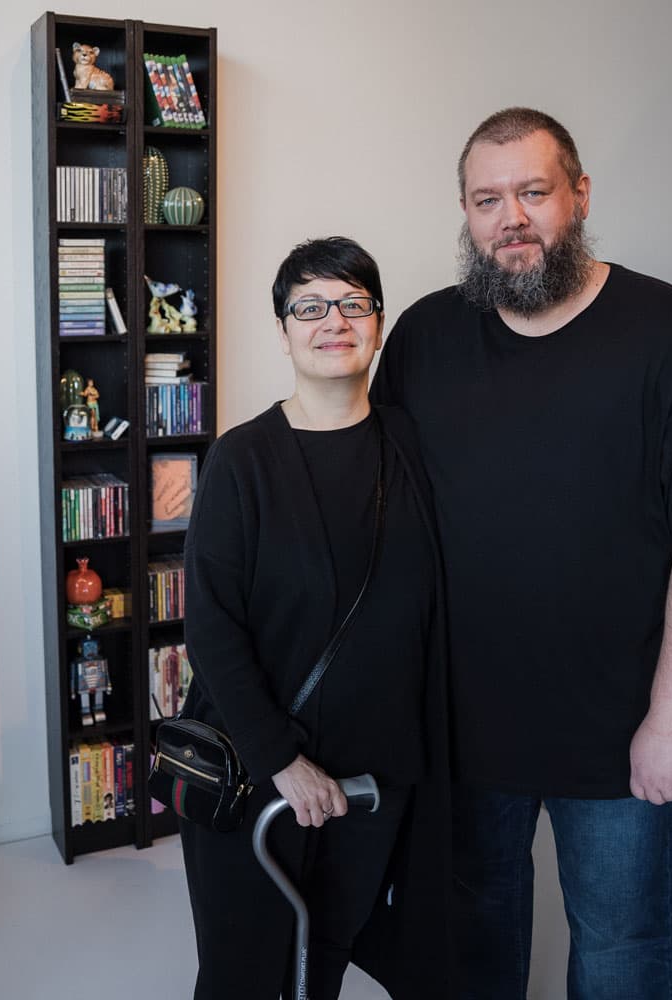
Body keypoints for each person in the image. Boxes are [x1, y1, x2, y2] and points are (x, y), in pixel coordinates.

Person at [371, 107, 672, 999]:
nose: (509, 216)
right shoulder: (427, 339)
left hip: (620, 735)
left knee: (625, 954)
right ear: (466, 214)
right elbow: (371, 497)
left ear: (579, 195)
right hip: (462, 733)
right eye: (486, 198)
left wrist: (671, 725)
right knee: (470, 948)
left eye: (532, 191)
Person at [179, 237, 451, 1000]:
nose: (333, 320)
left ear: (378, 321)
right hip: (267, 775)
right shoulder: (243, 460)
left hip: (380, 776)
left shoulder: (410, 443)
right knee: (248, 970)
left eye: (352, 303)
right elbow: (212, 626)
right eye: (310, 306)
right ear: (283, 329)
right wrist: (281, 761)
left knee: (323, 957)